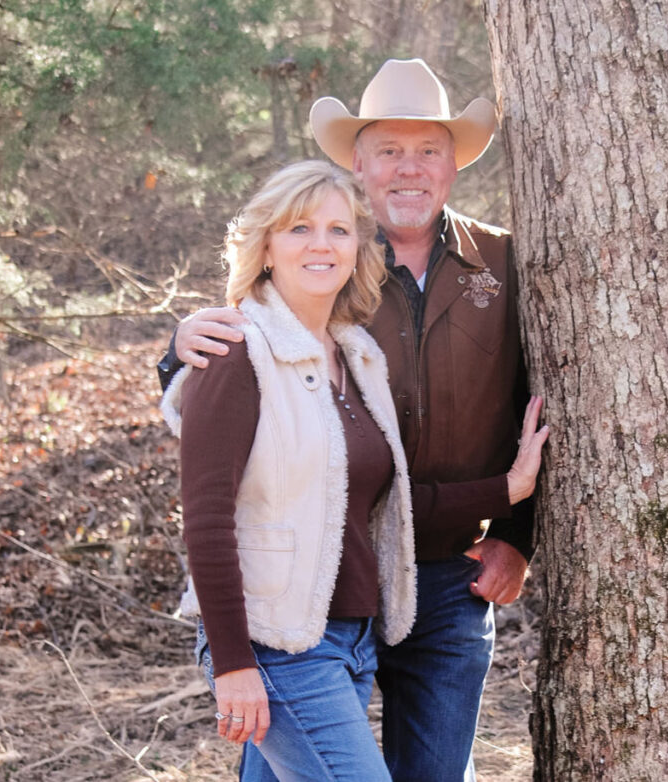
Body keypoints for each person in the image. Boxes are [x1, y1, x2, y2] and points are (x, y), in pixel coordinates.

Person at [158, 60, 535, 782]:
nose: (408, 169)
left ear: (454, 162)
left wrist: (517, 531)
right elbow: (236, 358)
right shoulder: (327, 266)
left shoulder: (508, 263)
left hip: (449, 579)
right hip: (314, 585)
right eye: (388, 150)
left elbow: (548, 397)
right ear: (358, 163)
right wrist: (176, 351)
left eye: (427, 149)